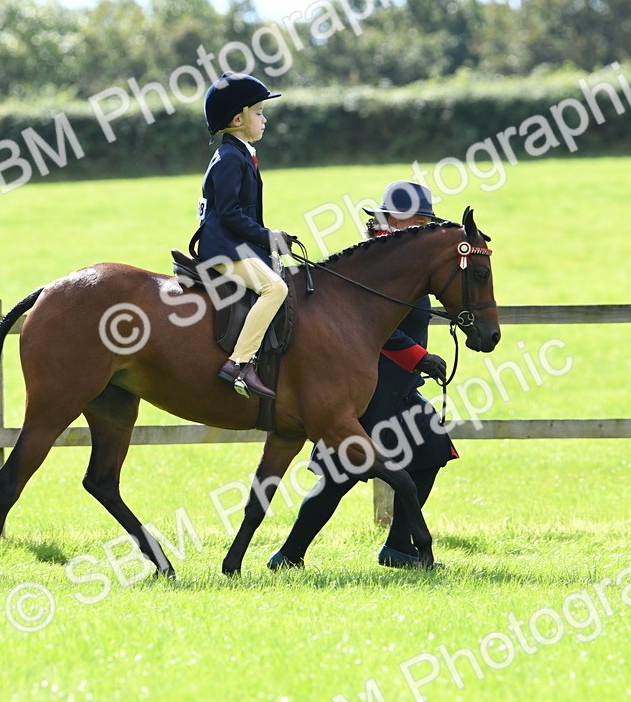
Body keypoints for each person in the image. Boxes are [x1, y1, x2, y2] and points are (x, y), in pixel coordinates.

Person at [268, 181, 457, 569]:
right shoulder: (378, 259)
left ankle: (397, 547)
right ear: (398, 218)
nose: (424, 227)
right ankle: (290, 555)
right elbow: (368, 327)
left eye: (426, 222)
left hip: (397, 388)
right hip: (368, 388)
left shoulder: (406, 257)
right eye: (419, 220)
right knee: (341, 474)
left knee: (429, 454)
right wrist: (419, 356)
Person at [195, 72, 293, 400]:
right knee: (274, 288)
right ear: (239, 118)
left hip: (236, 245)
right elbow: (230, 215)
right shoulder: (229, 159)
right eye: (260, 112)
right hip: (223, 250)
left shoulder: (242, 154)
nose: (265, 119)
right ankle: (239, 363)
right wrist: (270, 237)